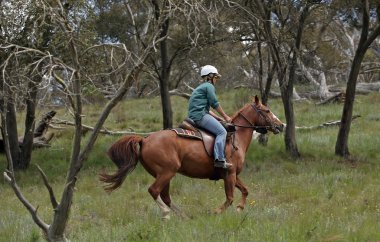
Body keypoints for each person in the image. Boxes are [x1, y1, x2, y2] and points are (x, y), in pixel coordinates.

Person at [188, 65, 232, 169]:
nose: (216, 80)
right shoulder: (209, 87)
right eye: (215, 77)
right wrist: (226, 117)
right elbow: (215, 103)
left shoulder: (201, 87)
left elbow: (207, 110)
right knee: (222, 132)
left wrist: (219, 119)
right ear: (210, 76)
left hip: (197, 115)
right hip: (200, 116)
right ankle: (219, 160)